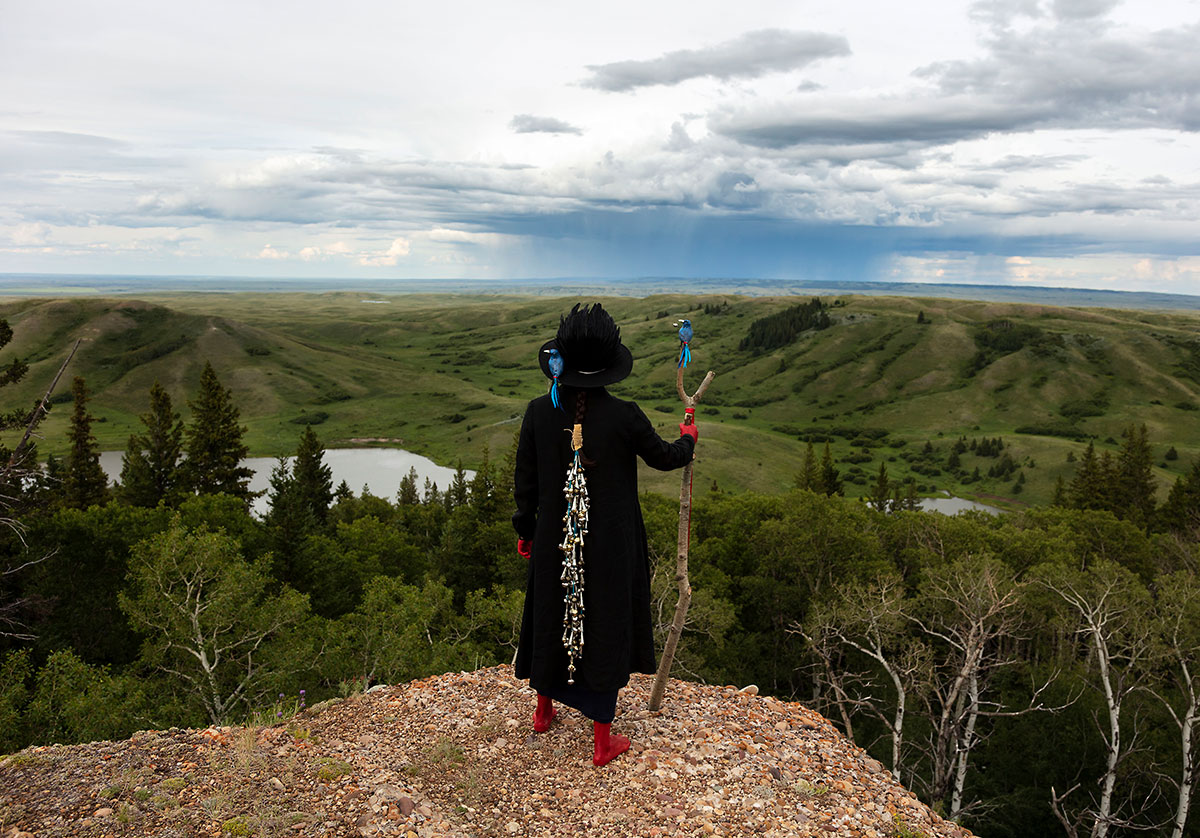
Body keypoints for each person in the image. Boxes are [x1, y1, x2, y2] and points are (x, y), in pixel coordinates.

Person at [512, 303, 699, 766]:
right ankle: (601, 741)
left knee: (552, 610)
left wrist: (525, 531)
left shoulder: (539, 412)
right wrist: (690, 437)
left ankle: (543, 711)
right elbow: (665, 457)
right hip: (612, 543)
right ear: (610, 366)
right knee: (604, 621)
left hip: (554, 537)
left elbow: (526, 483)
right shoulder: (625, 416)